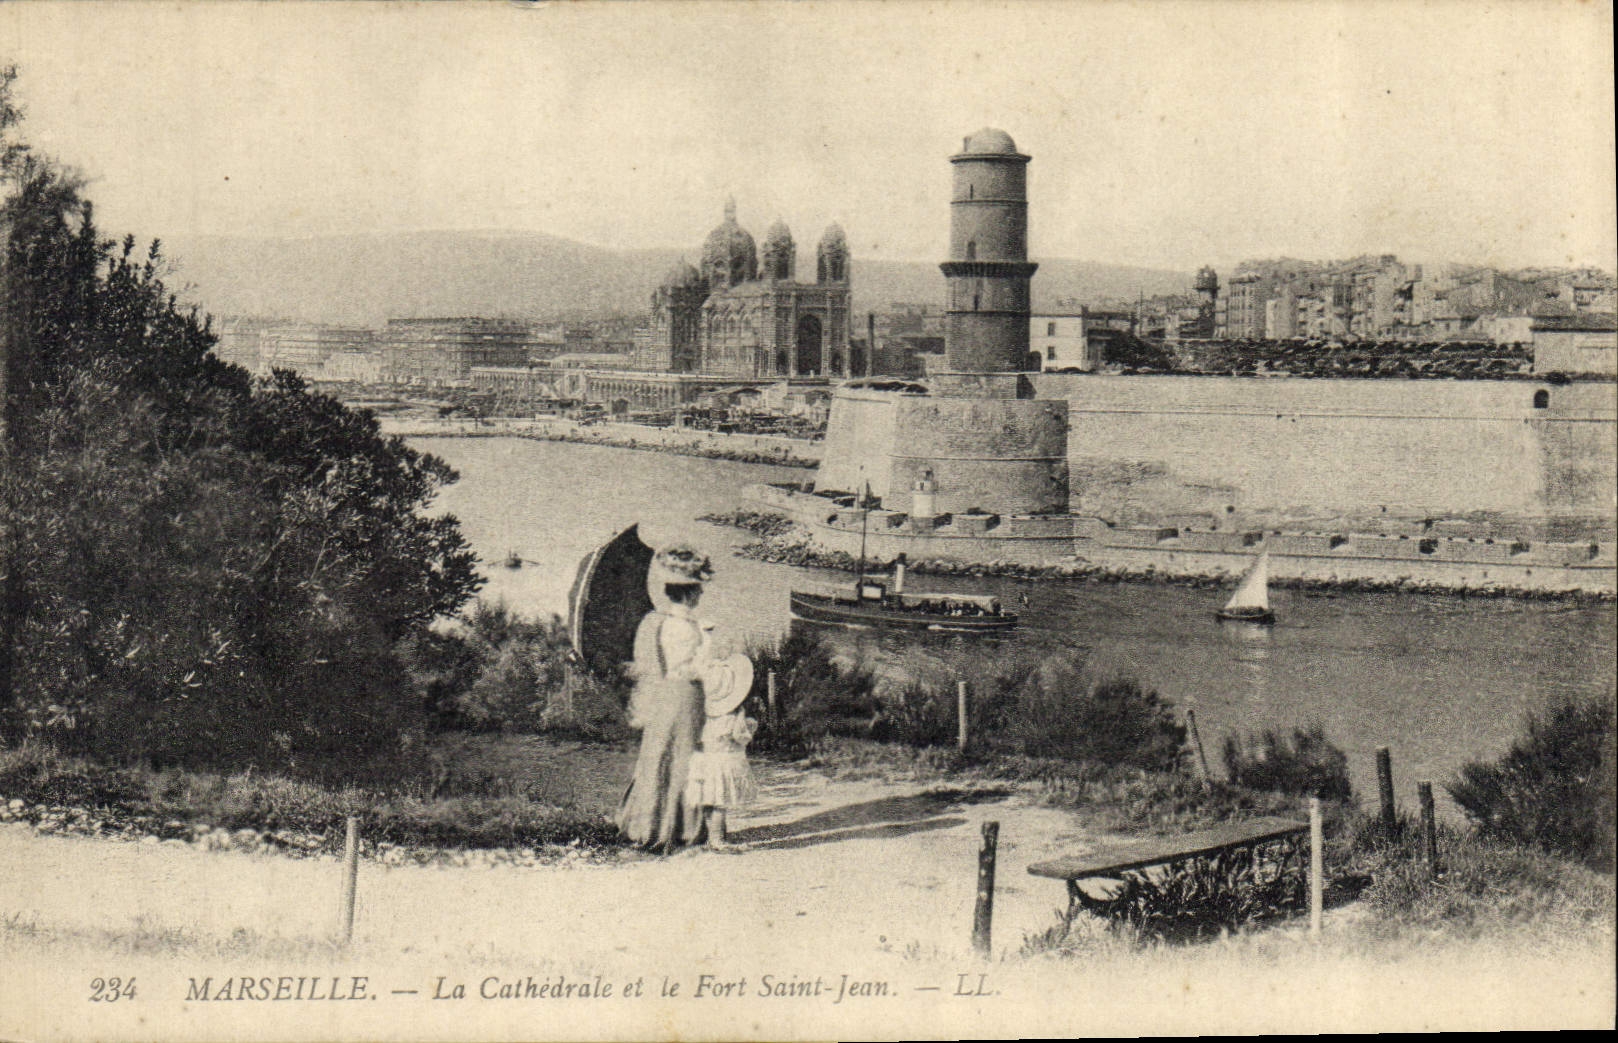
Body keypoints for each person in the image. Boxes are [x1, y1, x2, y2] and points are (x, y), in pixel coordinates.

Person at [615, 545, 716, 853]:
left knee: (659, 753)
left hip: (663, 695)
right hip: (686, 695)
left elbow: (654, 665)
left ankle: (646, 824)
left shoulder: (655, 621)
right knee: (686, 758)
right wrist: (709, 646)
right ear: (689, 593)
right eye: (697, 590)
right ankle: (681, 828)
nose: (700, 595)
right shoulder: (688, 628)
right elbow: (693, 668)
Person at [686, 654, 758, 851]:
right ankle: (717, 839)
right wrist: (751, 727)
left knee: (709, 799)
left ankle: (711, 834)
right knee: (720, 803)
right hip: (724, 762)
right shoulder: (735, 715)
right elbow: (740, 736)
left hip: (704, 761)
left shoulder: (702, 714)